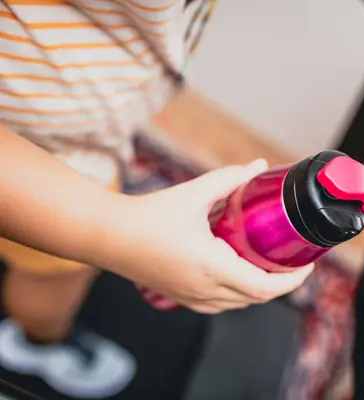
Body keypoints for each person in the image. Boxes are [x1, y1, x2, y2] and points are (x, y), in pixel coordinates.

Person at [0, 0, 314, 398]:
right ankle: (37, 342)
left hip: (81, 110)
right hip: (43, 143)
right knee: (56, 276)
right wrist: (110, 229)